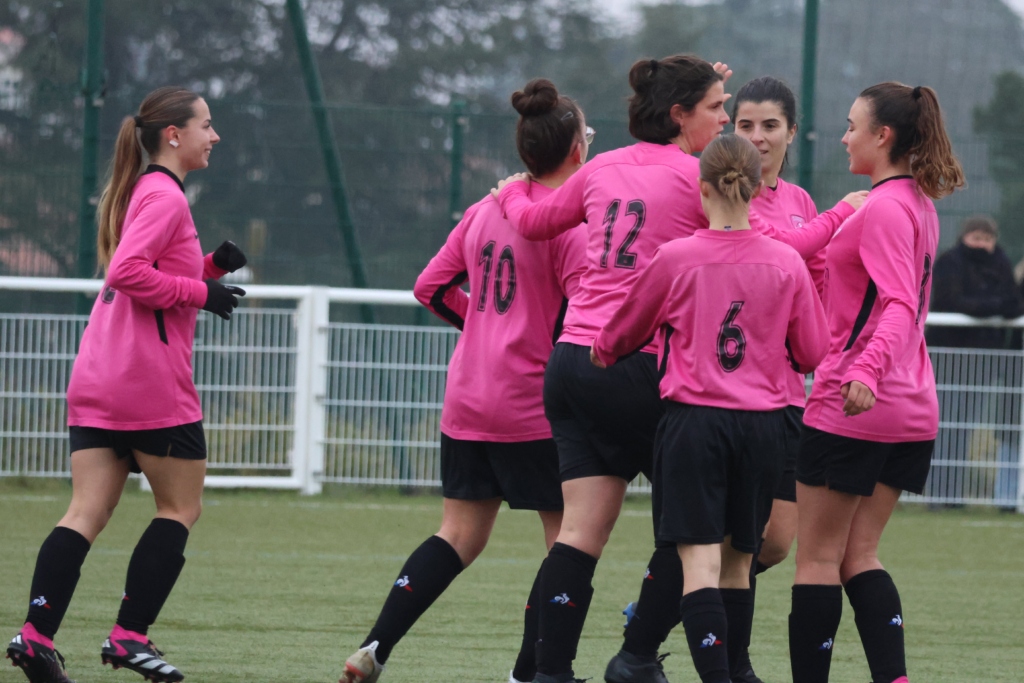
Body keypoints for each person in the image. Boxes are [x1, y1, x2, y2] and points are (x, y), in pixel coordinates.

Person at [336, 78, 589, 683]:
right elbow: (581, 319)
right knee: (568, 544)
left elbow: (430, 287)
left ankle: (374, 648)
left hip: (470, 401)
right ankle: (528, 673)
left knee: (458, 534)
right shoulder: (570, 227)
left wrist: (480, 325)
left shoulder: (485, 209)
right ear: (577, 150)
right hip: (533, 407)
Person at [491, 54, 731, 683]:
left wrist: (514, 186)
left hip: (572, 362)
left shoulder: (602, 167)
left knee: (578, 534)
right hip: (640, 364)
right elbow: (752, 248)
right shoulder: (696, 178)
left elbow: (536, 221)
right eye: (715, 107)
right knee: (702, 530)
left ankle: (549, 674)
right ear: (679, 114)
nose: (727, 119)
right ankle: (638, 651)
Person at [5, 86, 246, 683]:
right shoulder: (165, 197)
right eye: (206, 126)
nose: (214, 136)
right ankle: (130, 637)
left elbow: (147, 272)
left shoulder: (144, 190)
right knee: (180, 507)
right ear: (174, 135)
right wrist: (203, 292)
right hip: (148, 383)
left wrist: (209, 268)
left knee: (86, 511)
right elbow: (129, 272)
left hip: (98, 375)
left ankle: (36, 635)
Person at [592, 132, 829, 683]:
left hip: (694, 423)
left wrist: (603, 353)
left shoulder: (675, 258)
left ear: (702, 190)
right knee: (740, 562)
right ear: (753, 189)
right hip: (764, 428)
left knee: (698, 561)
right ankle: (738, 672)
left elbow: (620, 334)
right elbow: (812, 351)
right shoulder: (786, 263)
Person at [788, 82, 966, 683]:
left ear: (882, 136)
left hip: (857, 402)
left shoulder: (887, 206)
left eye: (851, 125)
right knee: (858, 556)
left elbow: (893, 304)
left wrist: (864, 369)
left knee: (815, 558)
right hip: (911, 406)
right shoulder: (915, 201)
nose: (843, 136)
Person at [729, 75, 820, 683]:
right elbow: (780, 248)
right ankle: (731, 661)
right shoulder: (724, 196)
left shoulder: (803, 201)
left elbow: (808, 278)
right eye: (744, 124)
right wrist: (845, 216)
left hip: (789, 393)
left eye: (769, 125)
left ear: (791, 132)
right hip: (730, 392)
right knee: (734, 540)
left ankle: (669, 609)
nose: (758, 137)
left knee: (776, 543)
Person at [927, 215, 1020, 349]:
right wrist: (997, 307)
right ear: (964, 237)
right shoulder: (949, 261)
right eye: (976, 238)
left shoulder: (1002, 263)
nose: (981, 244)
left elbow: (1013, 300)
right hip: (949, 345)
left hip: (990, 348)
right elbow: (950, 300)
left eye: (987, 239)